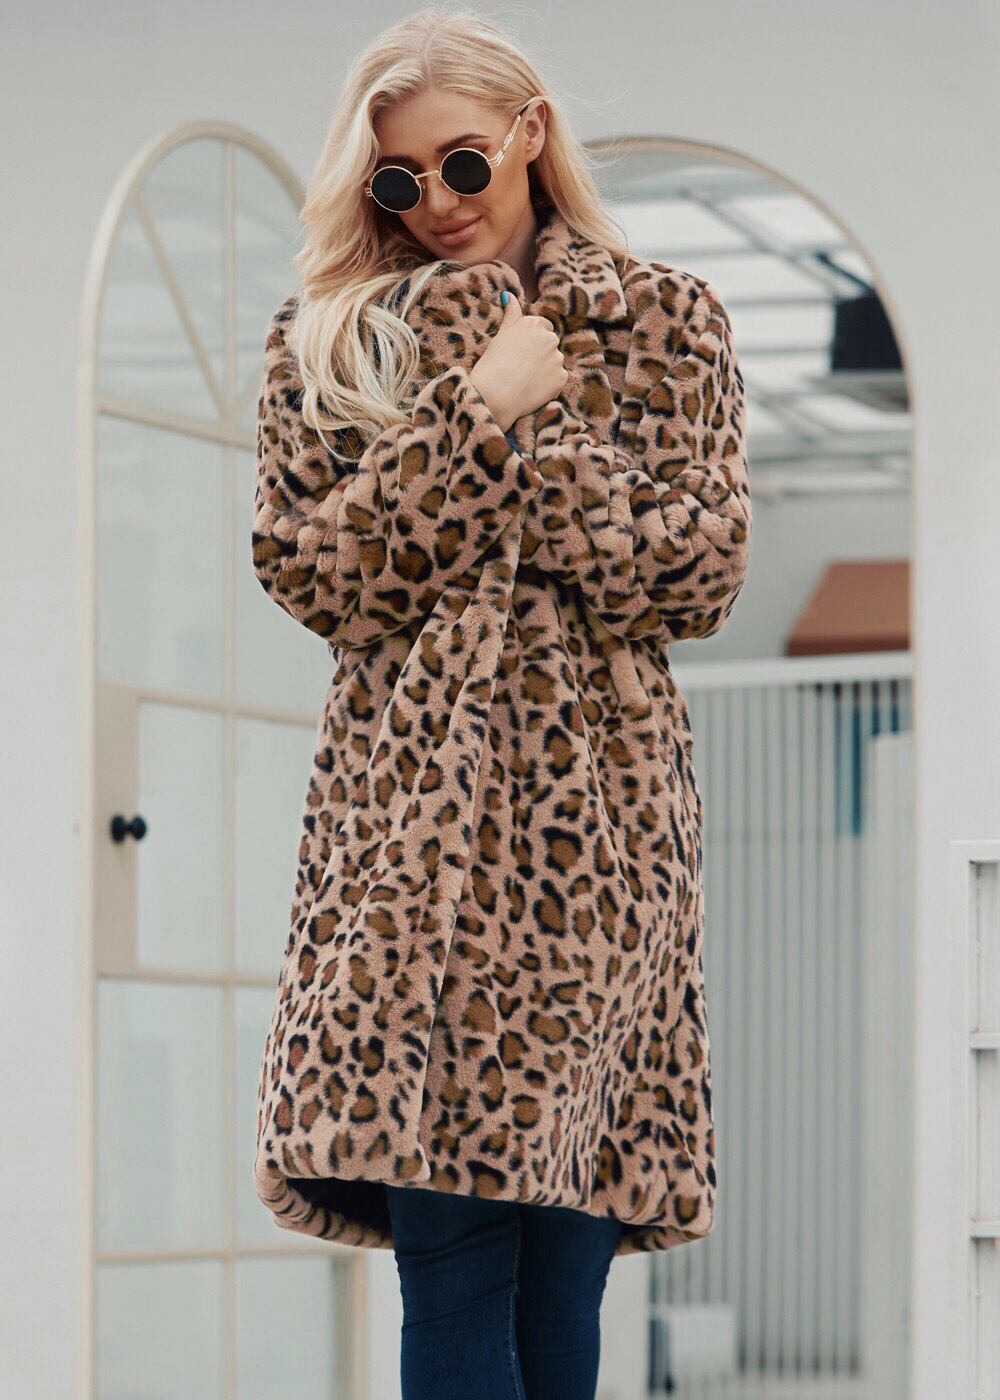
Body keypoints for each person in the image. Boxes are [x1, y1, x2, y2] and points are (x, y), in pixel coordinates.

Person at [250, 9, 751, 1400]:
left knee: (564, 1283)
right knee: (455, 1271)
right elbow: (317, 576)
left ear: (530, 133)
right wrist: (474, 410)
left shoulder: (668, 324)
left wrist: (546, 419)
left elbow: (695, 575)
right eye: (399, 180)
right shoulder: (329, 340)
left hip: (602, 855)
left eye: (462, 162)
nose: (439, 203)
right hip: (410, 857)